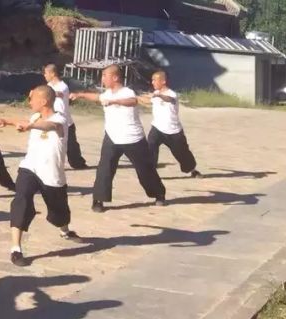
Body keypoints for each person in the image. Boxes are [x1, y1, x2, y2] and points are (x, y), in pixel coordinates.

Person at [0, 86, 81, 266]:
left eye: (32, 98)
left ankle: (64, 230)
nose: (29, 102)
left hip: (51, 174)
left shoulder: (60, 118)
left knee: (59, 212)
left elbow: (50, 125)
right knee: (21, 200)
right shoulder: (35, 117)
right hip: (29, 168)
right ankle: (16, 249)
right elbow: (28, 121)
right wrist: (8, 121)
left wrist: (30, 126)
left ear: (43, 101)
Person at [71, 65, 167, 212]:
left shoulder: (127, 91)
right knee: (105, 169)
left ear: (115, 77)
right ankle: (98, 200)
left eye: (105, 76)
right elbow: (97, 97)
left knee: (145, 169)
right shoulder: (107, 93)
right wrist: (80, 95)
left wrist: (115, 102)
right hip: (112, 137)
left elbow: (132, 101)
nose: (102, 79)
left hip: (133, 138)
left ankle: (158, 193)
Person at [142, 71, 202, 177]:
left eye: (155, 80)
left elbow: (170, 99)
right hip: (157, 128)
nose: (152, 82)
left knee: (182, 152)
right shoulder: (155, 94)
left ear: (163, 81)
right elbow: (147, 101)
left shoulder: (171, 94)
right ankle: (151, 173)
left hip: (173, 131)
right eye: (152, 80)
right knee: (151, 146)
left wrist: (159, 95)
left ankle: (192, 170)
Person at [44, 63, 88, 169]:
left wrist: (46, 93)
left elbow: (59, 95)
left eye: (46, 73)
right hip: (53, 121)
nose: (44, 75)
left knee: (72, 146)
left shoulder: (63, 86)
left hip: (66, 122)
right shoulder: (49, 86)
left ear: (52, 73)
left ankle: (78, 163)